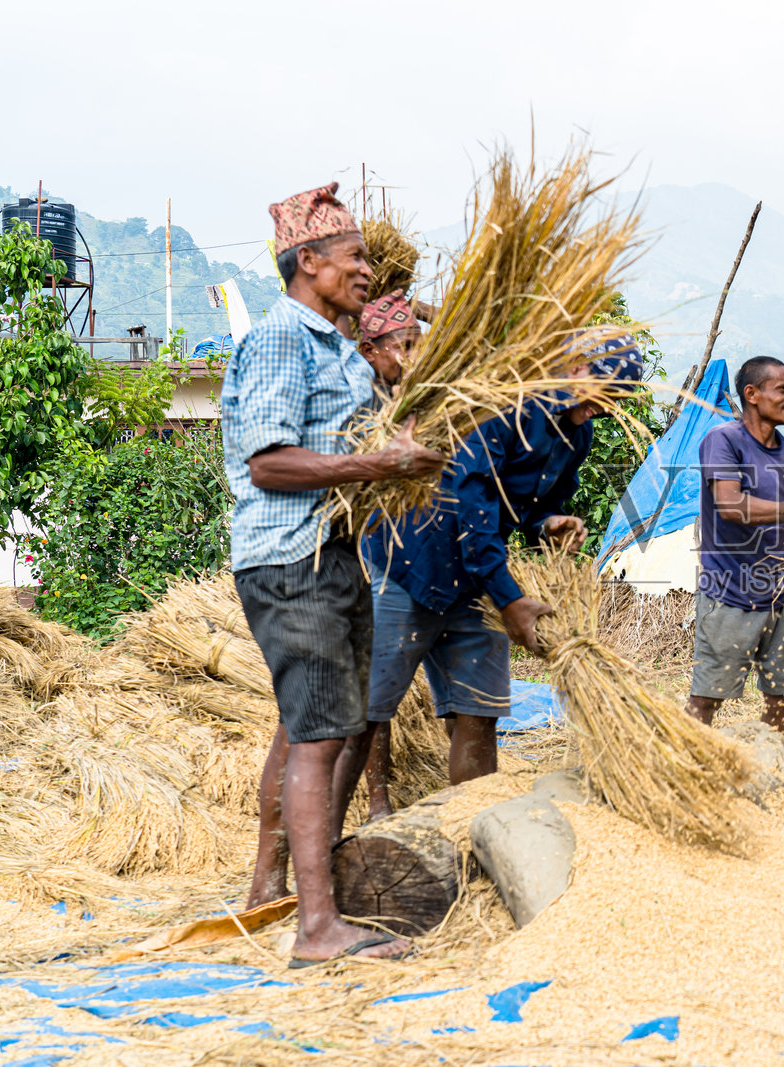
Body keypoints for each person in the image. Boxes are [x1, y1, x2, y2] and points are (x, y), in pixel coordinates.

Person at [221, 182, 443, 967]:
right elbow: (271, 462)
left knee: (332, 728)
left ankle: (313, 905)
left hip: (332, 556)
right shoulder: (283, 339)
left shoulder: (334, 351)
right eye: (352, 256)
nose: (364, 268)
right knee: (316, 739)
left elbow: (351, 456)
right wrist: (382, 461)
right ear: (306, 261)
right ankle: (317, 930)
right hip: (291, 559)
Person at [333, 337, 646, 826]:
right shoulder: (503, 409)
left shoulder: (577, 434)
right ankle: (376, 809)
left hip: (478, 577)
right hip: (411, 563)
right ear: (576, 368)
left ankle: (475, 819)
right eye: (602, 393)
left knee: (480, 708)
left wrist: (551, 523)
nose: (599, 410)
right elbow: (470, 508)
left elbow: (536, 508)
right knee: (375, 704)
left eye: (613, 405)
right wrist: (511, 599)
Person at [684, 356, 784, 736]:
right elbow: (732, 506)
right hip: (729, 595)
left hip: (782, 597)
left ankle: (774, 759)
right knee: (708, 698)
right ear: (752, 394)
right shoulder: (723, 441)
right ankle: (684, 766)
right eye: (782, 389)